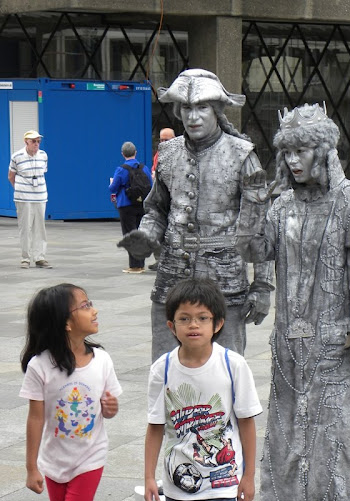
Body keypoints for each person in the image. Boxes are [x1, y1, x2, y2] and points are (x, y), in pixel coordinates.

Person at [236, 104, 350, 501]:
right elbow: (253, 249)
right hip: (291, 343)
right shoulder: (282, 203)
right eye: (287, 151)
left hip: (338, 342)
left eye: (303, 150)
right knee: (292, 433)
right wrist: (253, 201)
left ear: (324, 151)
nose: (293, 160)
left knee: (347, 431)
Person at [118, 68, 273, 361]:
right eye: (187, 108)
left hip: (224, 283)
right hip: (171, 278)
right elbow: (156, 209)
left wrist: (262, 286)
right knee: (165, 369)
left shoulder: (243, 154)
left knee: (226, 373)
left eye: (202, 107)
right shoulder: (168, 153)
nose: (193, 116)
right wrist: (147, 234)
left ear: (216, 110)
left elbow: (259, 227)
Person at [144, 278, 261, 501]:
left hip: (224, 478)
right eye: (184, 318)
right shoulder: (162, 370)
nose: (193, 325)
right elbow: (155, 427)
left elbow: (247, 424)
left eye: (202, 318)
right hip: (179, 482)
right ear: (171, 326)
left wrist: (249, 476)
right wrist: (149, 476)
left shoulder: (232, 364)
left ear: (218, 324)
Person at [19, 283, 122, 501]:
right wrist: (32, 466)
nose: (94, 310)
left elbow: (110, 404)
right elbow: (35, 418)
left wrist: (111, 408)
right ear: (66, 322)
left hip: (89, 461)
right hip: (54, 463)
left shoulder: (102, 359)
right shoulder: (40, 366)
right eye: (85, 305)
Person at [8, 129, 52, 269]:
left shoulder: (43, 155)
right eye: (33, 141)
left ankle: (40, 257)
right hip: (23, 196)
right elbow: (11, 176)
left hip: (40, 196)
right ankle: (25, 258)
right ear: (26, 141)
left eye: (38, 141)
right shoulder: (17, 156)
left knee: (40, 228)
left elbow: (42, 173)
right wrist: (19, 189)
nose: (36, 144)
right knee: (25, 227)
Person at [109, 141, 153, 273]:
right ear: (135, 153)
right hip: (141, 205)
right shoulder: (143, 168)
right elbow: (150, 184)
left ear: (123, 154)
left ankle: (134, 266)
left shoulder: (121, 169)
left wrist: (111, 183)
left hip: (126, 205)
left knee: (130, 234)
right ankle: (140, 264)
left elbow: (113, 188)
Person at [149, 127, 176, 271]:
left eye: (167, 140)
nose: (164, 142)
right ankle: (160, 259)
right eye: (161, 140)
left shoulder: (181, 154)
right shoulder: (158, 155)